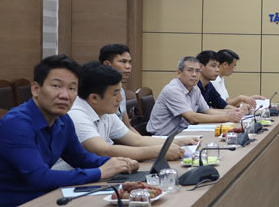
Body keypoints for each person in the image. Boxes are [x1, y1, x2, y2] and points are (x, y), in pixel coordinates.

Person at [0, 55, 138, 207]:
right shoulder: (16, 124)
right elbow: (40, 177)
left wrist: (119, 163)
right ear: (36, 89)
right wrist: (100, 172)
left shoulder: (63, 120)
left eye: (72, 88)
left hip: (42, 202)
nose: (65, 95)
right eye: (56, 86)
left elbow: (81, 159)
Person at [52, 62, 198, 170]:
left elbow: (136, 140)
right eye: (115, 93)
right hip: (64, 185)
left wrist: (177, 142)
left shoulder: (104, 110)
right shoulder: (76, 115)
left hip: (95, 173)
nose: (121, 99)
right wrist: (159, 151)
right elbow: (103, 150)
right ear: (94, 97)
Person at [147, 56, 243, 136]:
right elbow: (192, 118)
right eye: (190, 70)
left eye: (197, 71)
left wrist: (233, 112)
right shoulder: (173, 90)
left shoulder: (195, 88)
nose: (194, 75)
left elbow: (208, 111)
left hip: (182, 132)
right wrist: (227, 117)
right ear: (179, 73)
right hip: (163, 137)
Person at [99, 43, 140, 134]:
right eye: (123, 61)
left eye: (129, 62)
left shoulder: (121, 90)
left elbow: (127, 126)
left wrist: (143, 140)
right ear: (107, 64)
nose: (128, 66)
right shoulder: (99, 91)